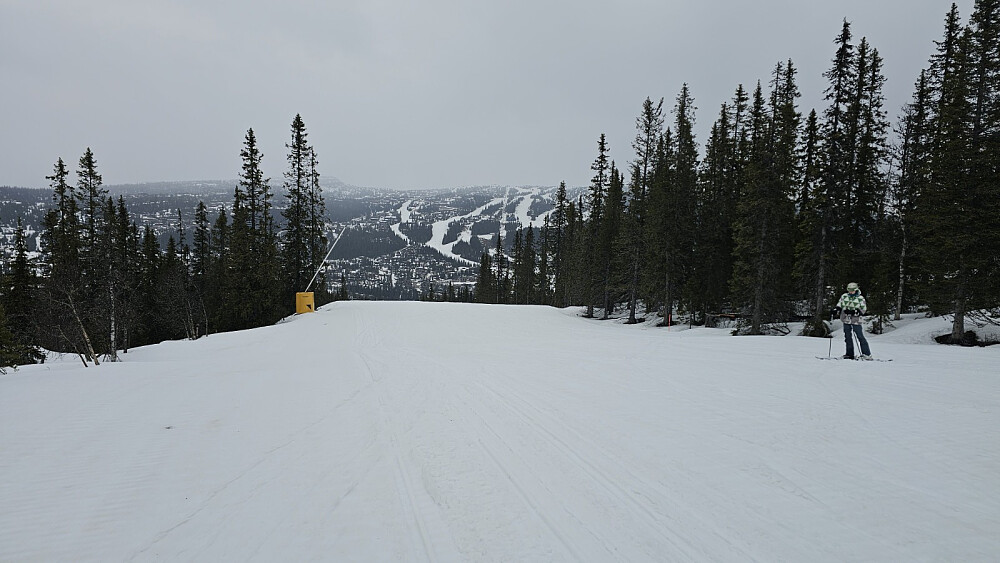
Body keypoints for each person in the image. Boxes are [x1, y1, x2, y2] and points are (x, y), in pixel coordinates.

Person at [837, 282, 872, 360]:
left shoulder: (860, 298)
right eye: (849, 290)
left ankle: (866, 354)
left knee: (860, 336)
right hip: (846, 319)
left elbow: (863, 309)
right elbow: (840, 304)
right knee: (847, 336)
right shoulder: (844, 296)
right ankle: (849, 354)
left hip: (856, 320)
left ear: (856, 289)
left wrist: (856, 311)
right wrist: (837, 309)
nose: (850, 292)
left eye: (852, 290)